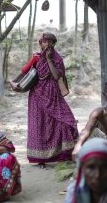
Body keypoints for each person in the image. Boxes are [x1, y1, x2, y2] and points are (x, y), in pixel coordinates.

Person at [10, 32, 79, 167]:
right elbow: (25, 70)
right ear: (40, 44)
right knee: (39, 125)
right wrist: (14, 82)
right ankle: (41, 159)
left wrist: (49, 60)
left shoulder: (57, 59)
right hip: (37, 95)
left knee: (65, 120)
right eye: (44, 41)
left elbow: (56, 76)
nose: (46, 44)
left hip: (53, 95)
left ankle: (64, 154)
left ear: (53, 44)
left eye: (49, 41)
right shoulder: (36, 57)